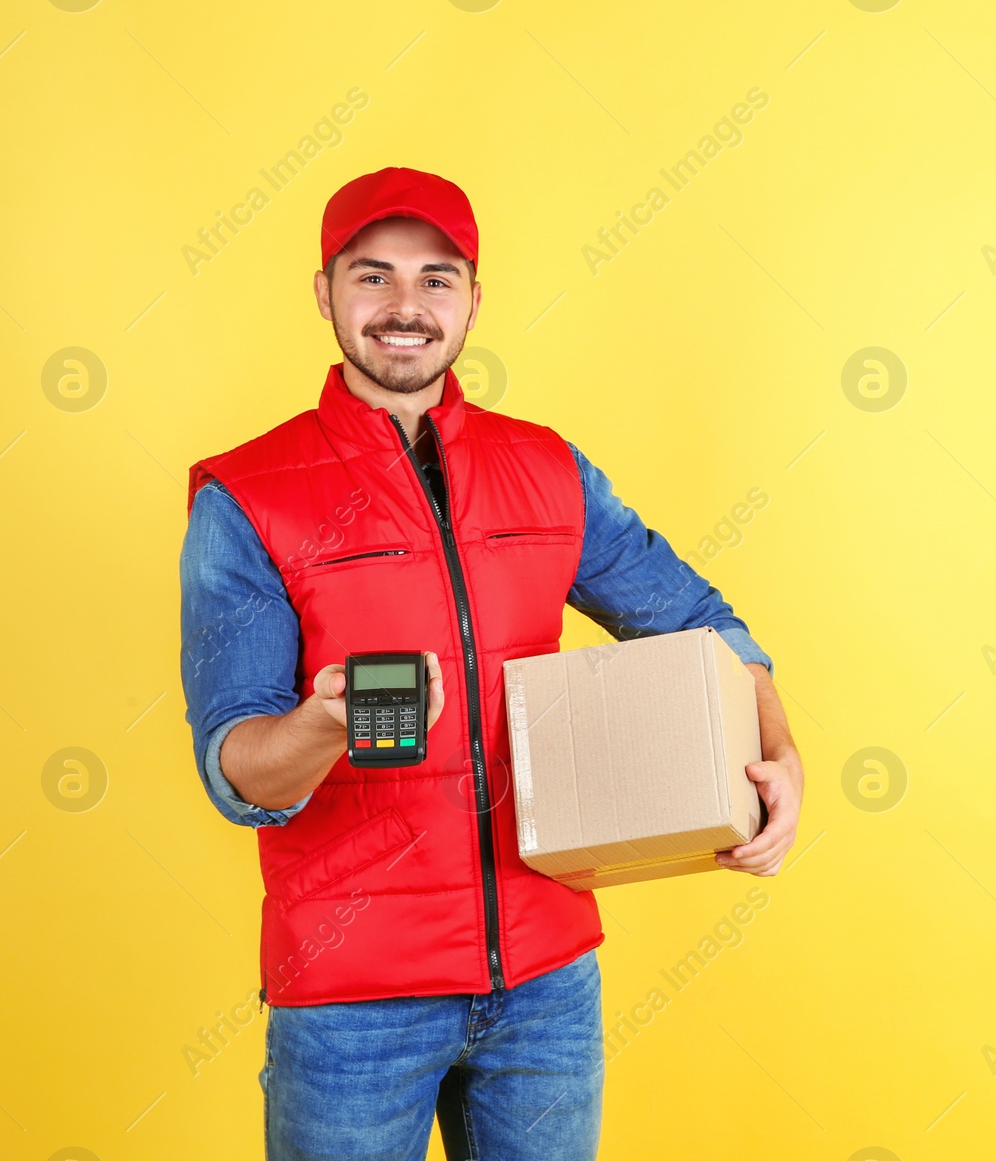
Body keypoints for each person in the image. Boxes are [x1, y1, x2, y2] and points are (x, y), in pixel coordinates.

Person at [177, 165, 804, 1161]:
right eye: (371, 276)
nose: (404, 307)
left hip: (548, 982)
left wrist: (781, 759)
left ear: (473, 298)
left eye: (436, 278)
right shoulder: (249, 496)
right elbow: (238, 771)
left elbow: (700, 625)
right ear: (324, 292)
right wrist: (324, 723)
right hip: (352, 1000)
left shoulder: (548, 469)